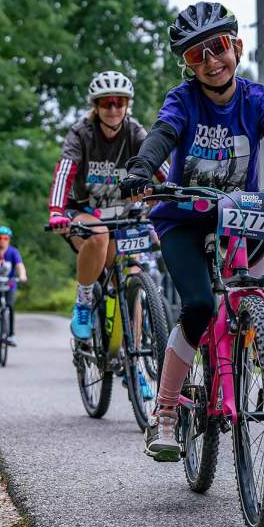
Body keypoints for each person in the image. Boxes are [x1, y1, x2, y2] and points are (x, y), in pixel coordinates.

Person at [119, 1, 264, 461]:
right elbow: (162, 134)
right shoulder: (183, 100)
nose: (211, 61)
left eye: (217, 48)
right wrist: (142, 168)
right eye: (197, 56)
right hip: (183, 217)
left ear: (236, 46)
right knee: (198, 306)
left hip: (239, 213)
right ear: (188, 65)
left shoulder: (256, 98)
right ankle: (167, 412)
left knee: (255, 284)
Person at [47, 70, 168, 340]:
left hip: (122, 218)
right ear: (95, 106)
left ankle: (133, 363)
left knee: (134, 279)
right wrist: (56, 212)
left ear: (127, 104)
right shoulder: (81, 134)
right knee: (99, 234)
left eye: (119, 102)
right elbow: (65, 171)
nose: (113, 108)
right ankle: (84, 301)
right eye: (105, 103)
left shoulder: (135, 132)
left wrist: (174, 196)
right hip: (82, 213)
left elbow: (160, 168)